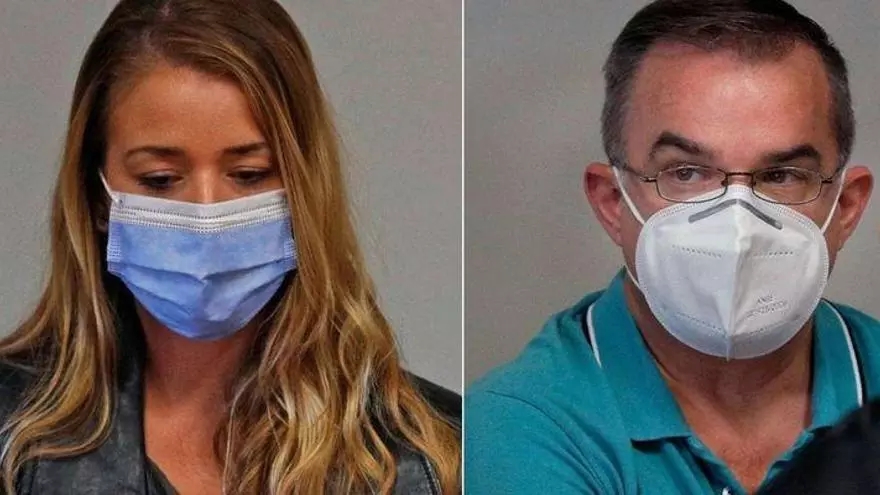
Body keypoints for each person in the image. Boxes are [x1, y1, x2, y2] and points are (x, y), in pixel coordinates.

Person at [0, 1, 460, 494]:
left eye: (249, 174)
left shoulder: (433, 455)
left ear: (304, 188)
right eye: (160, 179)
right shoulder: (11, 433)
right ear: (96, 195)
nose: (207, 214)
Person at [466, 0, 876, 493]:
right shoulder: (521, 428)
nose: (739, 225)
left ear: (847, 207)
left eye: (782, 175)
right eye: (686, 173)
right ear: (612, 202)